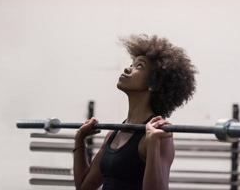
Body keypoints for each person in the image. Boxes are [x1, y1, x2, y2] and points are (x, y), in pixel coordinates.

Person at [73, 34, 197, 190]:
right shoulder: (114, 133)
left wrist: (153, 146)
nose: (127, 68)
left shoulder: (158, 135)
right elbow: (84, 187)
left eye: (139, 66)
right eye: (132, 64)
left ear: (153, 83)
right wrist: (80, 139)